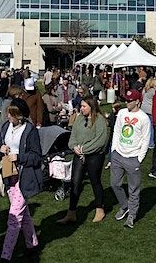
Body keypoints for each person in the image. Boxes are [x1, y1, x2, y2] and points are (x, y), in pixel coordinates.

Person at [0, 99, 42, 262]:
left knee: (14, 217)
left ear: (19, 115)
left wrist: (19, 157)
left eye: (11, 114)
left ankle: (5, 256)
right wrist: (0, 148)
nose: (7, 116)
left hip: (25, 177)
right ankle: (32, 244)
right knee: (24, 214)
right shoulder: (6, 127)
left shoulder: (30, 130)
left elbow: (37, 156)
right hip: (9, 175)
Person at [57, 95, 109, 225]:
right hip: (79, 154)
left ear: (91, 107)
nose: (81, 108)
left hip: (95, 156)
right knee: (75, 181)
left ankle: (99, 209)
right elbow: (72, 136)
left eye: (84, 106)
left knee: (95, 180)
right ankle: (71, 212)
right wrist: (74, 147)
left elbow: (100, 141)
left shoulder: (100, 120)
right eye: (81, 106)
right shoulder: (80, 119)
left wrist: (84, 149)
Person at [110, 89, 151, 229]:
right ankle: (124, 205)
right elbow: (116, 131)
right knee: (115, 184)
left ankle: (132, 215)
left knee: (134, 189)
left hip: (133, 158)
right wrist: (113, 150)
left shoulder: (144, 118)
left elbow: (146, 139)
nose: (127, 102)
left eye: (130, 100)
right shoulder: (121, 113)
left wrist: (139, 158)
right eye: (126, 100)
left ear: (137, 101)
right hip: (118, 155)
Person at [141, 78, 156, 149]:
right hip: (150, 110)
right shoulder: (153, 91)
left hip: (143, 109)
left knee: (144, 127)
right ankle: (150, 143)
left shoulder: (145, 89)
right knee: (151, 128)